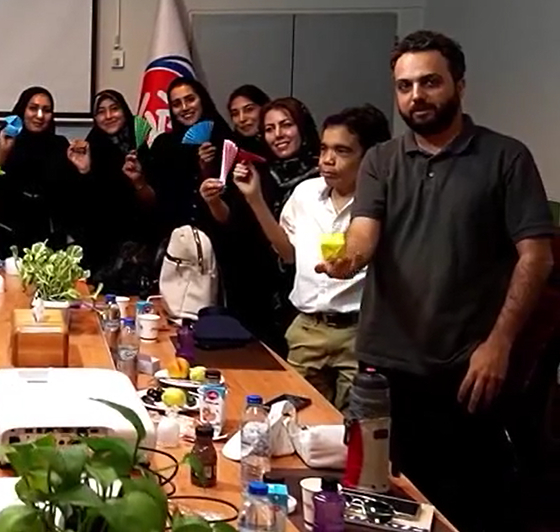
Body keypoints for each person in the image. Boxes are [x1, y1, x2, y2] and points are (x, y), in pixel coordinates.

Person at [318, 31, 554, 531]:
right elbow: (364, 233)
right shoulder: (381, 159)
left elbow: (537, 258)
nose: (416, 96)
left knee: (458, 508)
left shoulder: (506, 158)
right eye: (404, 86)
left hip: (466, 370)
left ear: (460, 85)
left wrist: (499, 344)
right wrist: (348, 261)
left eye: (429, 82)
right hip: (383, 369)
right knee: (378, 502)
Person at [232, 105, 391, 409]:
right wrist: (254, 199)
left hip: (358, 332)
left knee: (352, 427)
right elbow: (287, 253)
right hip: (308, 327)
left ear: (369, 156)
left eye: (342, 151)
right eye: (324, 148)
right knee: (294, 417)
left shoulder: (383, 201)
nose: (327, 160)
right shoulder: (305, 193)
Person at [201, 96, 320, 355]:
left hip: (310, 293)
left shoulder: (323, 175)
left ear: (303, 126)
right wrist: (215, 200)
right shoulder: (260, 171)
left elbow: (293, 255)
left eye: (286, 125)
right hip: (258, 287)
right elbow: (234, 223)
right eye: (269, 129)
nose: (278, 135)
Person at [66, 89, 159, 290]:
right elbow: (81, 208)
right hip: (100, 254)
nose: (108, 116)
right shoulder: (89, 149)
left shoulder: (145, 149)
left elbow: (155, 205)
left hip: (140, 253)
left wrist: (138, 181)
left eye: (114, 109)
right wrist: (84, 171)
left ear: (125, 111)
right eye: (101, 111)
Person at [0, 86, 84, 262]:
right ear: (22, 110)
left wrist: (82, 169)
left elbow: (73, 194)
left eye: (47, 110)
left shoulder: (60, 145)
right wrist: (3, 152)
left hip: (47, 242)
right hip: (6, 237)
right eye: (33, 108)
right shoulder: (2, 138)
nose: (40, 115)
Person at [147, 77, 233, 230]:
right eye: (176, 104)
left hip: (218, 237)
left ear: (202, 100)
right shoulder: (163, 145)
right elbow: (156, 200)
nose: (185, 107)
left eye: (190, 99)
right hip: (174, 238)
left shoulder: (225, 141)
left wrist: (207, 168)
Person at [226, 84, 271, 157]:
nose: (242, 119)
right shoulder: (231, 151)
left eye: (249, 109)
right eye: (235, 113)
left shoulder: (279, 142)